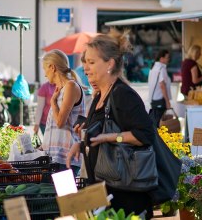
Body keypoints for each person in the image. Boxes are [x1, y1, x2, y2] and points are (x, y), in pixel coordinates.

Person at [66, 30, 156, 219]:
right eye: (85, 62)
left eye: (91, 62)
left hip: (126, 196)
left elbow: (145, 135)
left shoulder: (123, 95)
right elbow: (97, 132)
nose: (86, 68)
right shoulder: (100, 95)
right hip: (103, 191)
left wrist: (110, 137)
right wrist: (80, 144)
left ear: (110, 63)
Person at [41, 49, 83, 175]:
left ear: (52, 67)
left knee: (65, 195)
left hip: (65, 158)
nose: (44, 74)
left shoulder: (70, 86)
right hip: (55, 157)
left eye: (45, 69)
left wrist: (53, 102)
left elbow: (60, 122)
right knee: (54, 194)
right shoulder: (62, 89)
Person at [147, 49, 172, 127]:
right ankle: (158, 139)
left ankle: (155, 138)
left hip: (154, 100)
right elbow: (162, 85)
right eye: (167, 57)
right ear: (161, 58)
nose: (168, 59)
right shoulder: (161, 69)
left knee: (155, 123)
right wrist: (167, 101)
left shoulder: (153, 68)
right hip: (160, 99)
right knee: (160, 124)